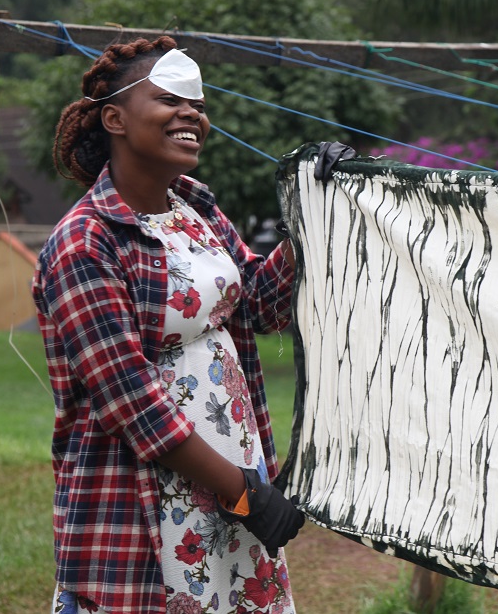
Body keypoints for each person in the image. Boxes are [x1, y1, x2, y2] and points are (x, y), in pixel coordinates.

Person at [32, 36, 304, 614]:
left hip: (233, 480)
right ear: (115, 119)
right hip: (147, 500)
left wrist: (311, 221)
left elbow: (258, 306)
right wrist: (245, 493)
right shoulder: (84, 243)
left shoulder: (194, 209)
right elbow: (130, 400)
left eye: (199, 106)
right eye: (170, 100)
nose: (192, 114)